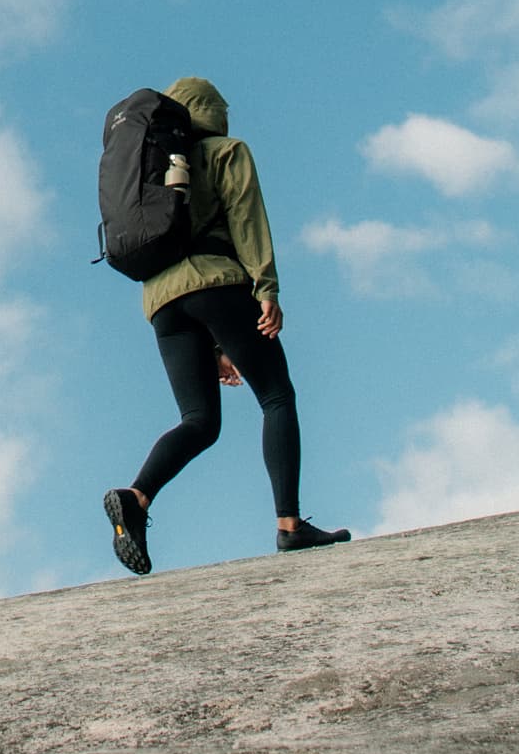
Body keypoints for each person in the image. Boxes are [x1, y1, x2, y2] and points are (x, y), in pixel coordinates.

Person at [102, 74, 348, 569]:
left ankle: (138, 496)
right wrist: (267, 289)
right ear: (214, 111)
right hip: (218, 284)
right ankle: (290, 526)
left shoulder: (155, 165)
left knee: (199, 421)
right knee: (276, 395)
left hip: (161, 301)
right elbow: (247, 221)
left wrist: (215, 346)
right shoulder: (224, 151)